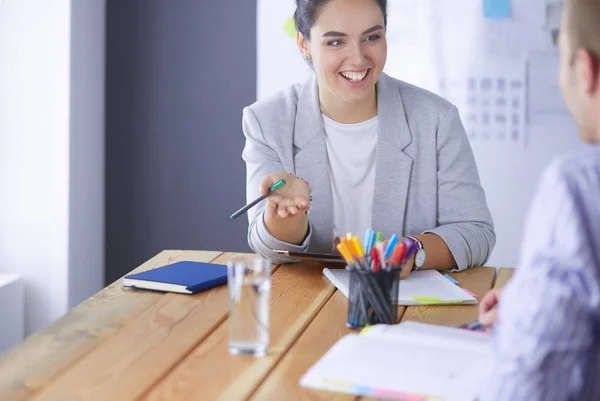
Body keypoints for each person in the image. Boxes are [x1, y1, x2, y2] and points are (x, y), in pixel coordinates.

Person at [241, 0, 495, 276]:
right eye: (336, 42)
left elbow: (475, 232)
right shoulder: (267, 121)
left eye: (372, 37)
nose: (358, 58)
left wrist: (411, 251)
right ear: (304, 44)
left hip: (405, 306)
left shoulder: (436, 119)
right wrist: (288, 213)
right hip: (307, 303)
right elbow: (267, 246)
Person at [477, 0, 600, 399]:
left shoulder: (577, 188)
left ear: (586, 71)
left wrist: (519, 322)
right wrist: (530, 300)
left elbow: (526, 385)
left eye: (560, 57)